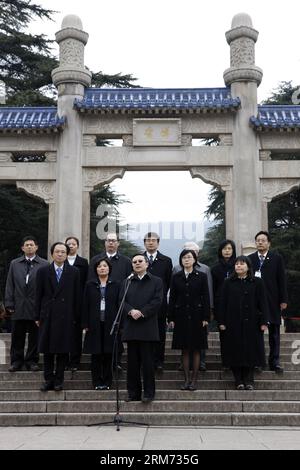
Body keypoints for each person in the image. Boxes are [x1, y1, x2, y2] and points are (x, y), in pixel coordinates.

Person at [218, 255, 269, 390]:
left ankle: (249, 380)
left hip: (253, 322)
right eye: (237, 264)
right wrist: (221, 321)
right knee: (235, 350)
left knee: (251, 350)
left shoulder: (257, 282)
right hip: (232, 322)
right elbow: (222, 303)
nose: (238, 266)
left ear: (248, 266)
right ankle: (238, 380)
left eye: (242, 264)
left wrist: (264, 321)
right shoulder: (228, 282)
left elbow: (263, 303)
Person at [35, 242, 80, 391]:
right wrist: (37, 316)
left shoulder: (74, 272)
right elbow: (38, 295)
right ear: (52, 254)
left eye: (63, 252)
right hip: (48, 315)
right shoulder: (43, 271)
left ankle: (59, 380)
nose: (60, 254)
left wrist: (76, 317)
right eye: (57, 251)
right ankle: (48, 379)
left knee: (62, 350)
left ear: (67, 254)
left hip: (66, 316)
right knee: (47, 350)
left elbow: (76, 296)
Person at [121, 254, 163, 403]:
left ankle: (149, 393)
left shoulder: (156, 281)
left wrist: (142, 312)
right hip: (131, 327)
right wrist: (131, 311)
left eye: (140, 261)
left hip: (147, 328)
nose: (137, 263)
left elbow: (157, 301)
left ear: (147, 264)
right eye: (134, 262)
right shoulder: (127, 282)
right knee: (132, 364)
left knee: (147, 364)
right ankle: (133, 393)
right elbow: (122, 301)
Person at [88, 232, 132, 371]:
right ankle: (100, 366)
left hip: (117, 305)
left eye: (114, 241)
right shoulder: (96, 259)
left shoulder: (126, 261)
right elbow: (90, 280)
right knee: (98, 338)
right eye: (108, 241)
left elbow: (128, 284)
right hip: (98, 306)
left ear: (118, 243)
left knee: (116, 337)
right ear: (105, 243)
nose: (111, 243)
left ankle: (116, 363)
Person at [5, 236, 48, 372]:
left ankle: (32, 361)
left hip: (35, 306)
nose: (29, 247)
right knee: (17, 335)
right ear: (22, 248)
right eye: (27, 245)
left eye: (32, 245)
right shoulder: (15, 263)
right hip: (18, 306)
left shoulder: (44, 264)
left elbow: (46, 288)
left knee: (35, 336)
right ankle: (16, 361)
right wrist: (9, 303)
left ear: (36, 247)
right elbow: (10, 284)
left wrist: (43, 306)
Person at [168, 249, 210, 391]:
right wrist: (171, 317)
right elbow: (172, 298)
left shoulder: (202, 276)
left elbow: (206, 297)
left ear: (194, 260)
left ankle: (194, 380)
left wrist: (206, 316)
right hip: (181, 316)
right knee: (184, 349)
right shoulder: (176, 277)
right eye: (184, 257)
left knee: (197, 349)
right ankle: (186, 380)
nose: (186, 260)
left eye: (189, 257)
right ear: (181, 260)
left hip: (198, 316)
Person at [249, 231, 288, 374]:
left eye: (263, 240)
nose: (260, 242)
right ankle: (258, 362)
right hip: (255, 302)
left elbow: (281, 280)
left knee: (274, 333)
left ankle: (275, 361)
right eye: (258, 240)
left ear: (269, 243)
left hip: (273, 300)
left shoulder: (277, 258)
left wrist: (283, 299)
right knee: (256, 333)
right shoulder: (250, 259)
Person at [173, 241, 213, 371]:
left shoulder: (205, 269)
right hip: (182, 311)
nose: (188, 256)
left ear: (197, 254)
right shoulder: (176, 269)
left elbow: (208, 292)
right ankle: (182, 363)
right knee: (183, 341)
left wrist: (208, 311)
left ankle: (201, 361)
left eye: (192, 252)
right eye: (186, 252)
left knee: (199, 340)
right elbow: (173, 294)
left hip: (198, 311)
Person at [82, 257, 120, 390]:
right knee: (96, 354)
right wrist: (85, 323)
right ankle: (97, 382)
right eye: (99, 266)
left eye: (105, 266)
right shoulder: (90, 284)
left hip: (110, 323)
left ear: (109, 268)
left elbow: (119, 304)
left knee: (109, 354)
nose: (102, 268)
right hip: (94, 324)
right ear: (96, 269)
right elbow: (85, 305)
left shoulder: (116, 284)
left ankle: (108, 381)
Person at [143, 232, 173, 371]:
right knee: (144, 334)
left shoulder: (166, 260)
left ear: (158, 243)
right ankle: (145, 361)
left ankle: (159, 361)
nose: (150, 243)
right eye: (148, 240)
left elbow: (168, 282)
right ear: (144, 243)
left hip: (160, 305)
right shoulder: (139, 259)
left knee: (160, 334)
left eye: (153, 240)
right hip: (142, 304)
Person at [211, 239, 236, 366]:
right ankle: (226, 361)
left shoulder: (238, 266)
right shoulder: (215, 268)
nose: (227, 251)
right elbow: (213, 289)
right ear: (220, 251)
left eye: (230, 249)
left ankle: (235, 360)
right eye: (225, 249)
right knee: (224, 334)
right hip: (220, 304)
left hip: (236, 304)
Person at [65, 236, 89, 371]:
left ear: (78, 246)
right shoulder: (61, 261)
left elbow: (86, 282)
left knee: (76, 334)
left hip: (78, 302)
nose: (71, 246)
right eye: (69, 244)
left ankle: (75, 361)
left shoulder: (83, 262)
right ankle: (64, 360)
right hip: (63, 302)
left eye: (74, 244)